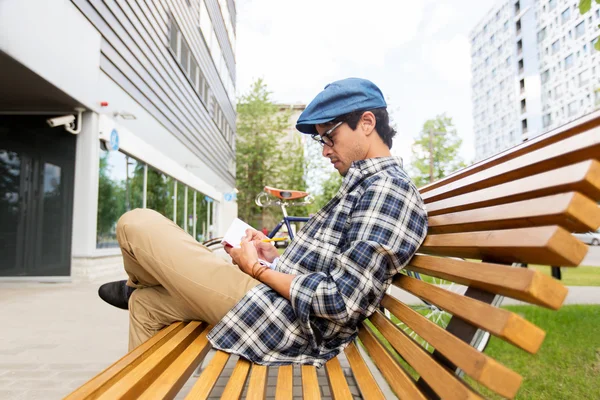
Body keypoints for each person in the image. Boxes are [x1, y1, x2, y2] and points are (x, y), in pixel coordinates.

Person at [98, 77, 428, 367]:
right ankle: (139, 289)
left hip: (285, 317)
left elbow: (342, 300)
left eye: (329, 136)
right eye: (321, 141)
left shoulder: (388, 190)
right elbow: (327, 271)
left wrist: (257, 270)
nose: (325, 151)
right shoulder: (365, 186)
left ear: (367, 122)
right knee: (147, 304)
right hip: (274, 300)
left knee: (135, 224)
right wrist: (272, 257)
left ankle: (135, 283)